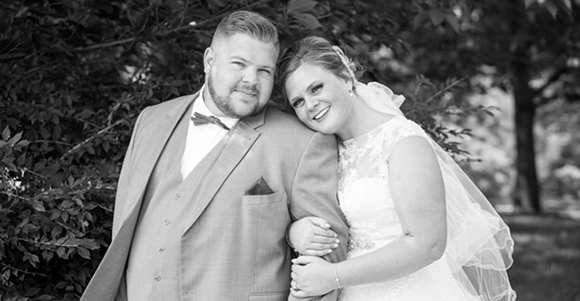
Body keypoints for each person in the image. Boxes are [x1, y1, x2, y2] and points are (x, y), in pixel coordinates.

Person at [80, 12, 348, 301]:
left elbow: (330, 255)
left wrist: (294, 233)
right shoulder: (151, 121)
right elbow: (125, 234)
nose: (251, 80)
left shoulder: (302, 142)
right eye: (239, 64)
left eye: (264, 71)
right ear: (209, 61)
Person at [278, 36, 516, 301]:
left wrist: (333, 275)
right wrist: (294, 232)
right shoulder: (325, 151)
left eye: (316, 88)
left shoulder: (402, 142)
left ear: (345, 78)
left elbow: (428, 244)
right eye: (298, 101)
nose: (310, 105)